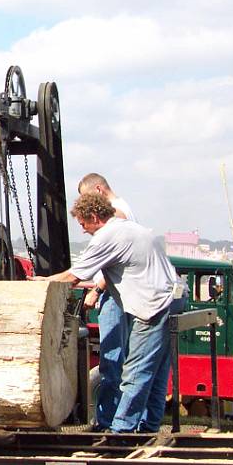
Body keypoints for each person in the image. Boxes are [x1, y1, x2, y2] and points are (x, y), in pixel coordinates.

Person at [45, 193, 180, 433]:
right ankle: (148, 428)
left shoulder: (107, 236)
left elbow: (74, 277)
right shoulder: (130, 228)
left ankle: (121, 433)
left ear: (94, 217)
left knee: (135, 372)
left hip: (154, 306)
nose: (83, 230)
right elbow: (112, 271)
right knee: (157, 374)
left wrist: (40, 282)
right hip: (174, 298)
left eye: (83, 224)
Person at [77, 173, 136, 431]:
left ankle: (108, 422)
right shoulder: (125, 210)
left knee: (111, 361)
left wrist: (96, 290)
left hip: (113, 296)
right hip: (115, 295)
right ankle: (114, 420)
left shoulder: (118, 215)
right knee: (117, 361)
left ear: (99, 190)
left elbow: (113, 261)